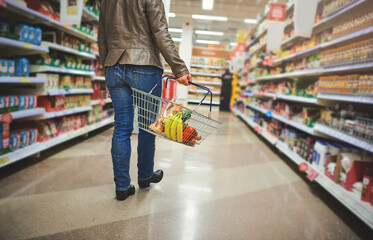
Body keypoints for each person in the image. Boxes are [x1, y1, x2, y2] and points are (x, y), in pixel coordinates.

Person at [98, 0, 192, 201]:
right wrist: (179, 68)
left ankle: (122, 187)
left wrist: (106, 67)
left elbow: (102, 35)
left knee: (121, 127)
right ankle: (145, 176)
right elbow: (160, 32)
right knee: (148, 125)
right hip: (145, 65)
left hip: (114, 65)